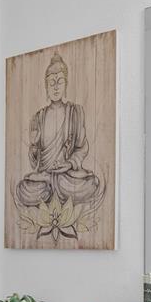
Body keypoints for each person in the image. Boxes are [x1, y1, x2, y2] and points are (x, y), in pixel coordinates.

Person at [14, 52, 101, 207]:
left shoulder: (75, 112)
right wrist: (33, 148)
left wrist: (69, 164)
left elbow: (82, 148)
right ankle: (51, 184)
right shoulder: (38, 117)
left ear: (65, 85)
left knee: (92, 183)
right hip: (44, 177)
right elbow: (35, 161)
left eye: (59, 82)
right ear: (46, 87)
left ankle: (52, 186)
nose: (55, 87)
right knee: (22, 189)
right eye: (51, 83)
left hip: (66, 175)